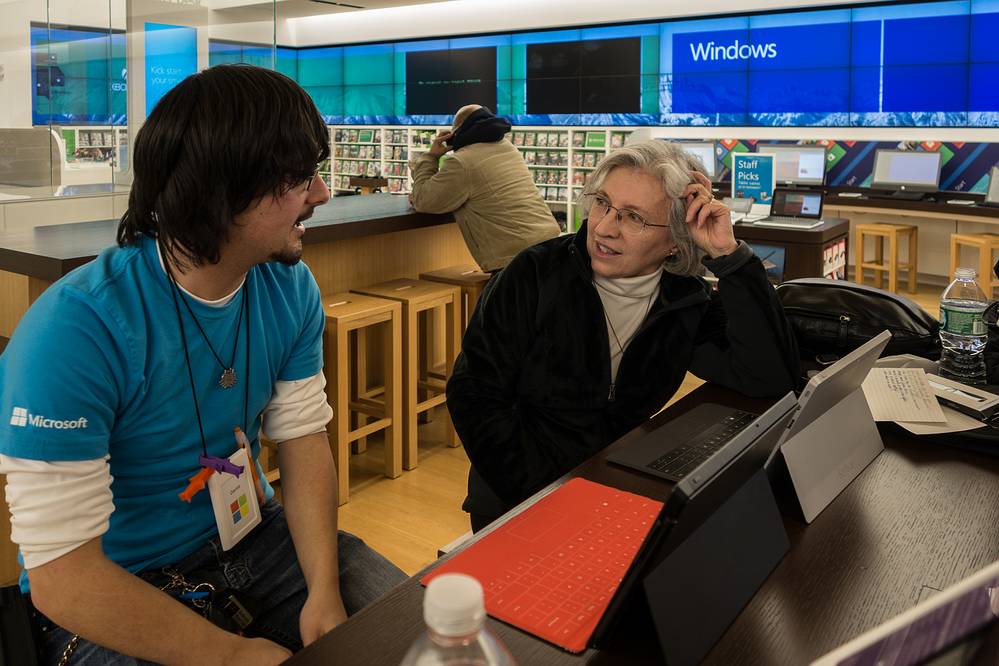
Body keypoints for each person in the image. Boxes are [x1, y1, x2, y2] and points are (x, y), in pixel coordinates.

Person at [0, 64, 405, 665]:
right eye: (301, 179)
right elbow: (63, 576)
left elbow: (301, 437)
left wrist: (322, 592)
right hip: (120, 583)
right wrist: (232, 656)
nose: (321, 194)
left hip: (255, 539)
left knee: (415, 632)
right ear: (223, 193)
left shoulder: (288, 286)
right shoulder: (77, 328)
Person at [446, 140, 801, 532]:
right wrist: (546, 496)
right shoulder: (532, 274)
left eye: (633, 218)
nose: (603, 228)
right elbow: (474, 395)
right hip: (518, 497)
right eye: (602, 203)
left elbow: (764, 377)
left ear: (674, 241)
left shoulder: (684, 298)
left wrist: (730, 256)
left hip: (619, 489)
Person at [408, 104, 560, 273]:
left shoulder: (462, 162)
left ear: (455, 133)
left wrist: (431, 156)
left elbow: (423, 200)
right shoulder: (508, 148)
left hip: (516, 257)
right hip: (549, 243)